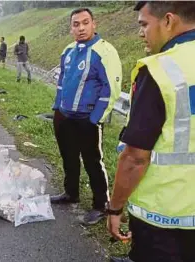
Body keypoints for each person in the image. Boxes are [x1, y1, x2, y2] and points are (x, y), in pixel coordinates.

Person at [108, 2, 195, 262]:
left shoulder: (161, 70)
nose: (140, 33)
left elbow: (135, 157)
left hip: (165, 217)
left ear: (168, 21)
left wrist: (115, 208)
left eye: (144, 24)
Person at [50, 8, 122, 226]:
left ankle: (101, 205)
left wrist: (95, 118)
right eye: (75, 24)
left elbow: (112, 88)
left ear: (94, 24)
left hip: (87, 119)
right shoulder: (69, 51)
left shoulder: (105, 51)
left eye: (85, 23)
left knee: (93, 162)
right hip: (65, 117)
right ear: (71, 27)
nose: (80, 28)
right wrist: (57, 109)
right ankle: (71, 193)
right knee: (69, 157)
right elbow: (61, 82)